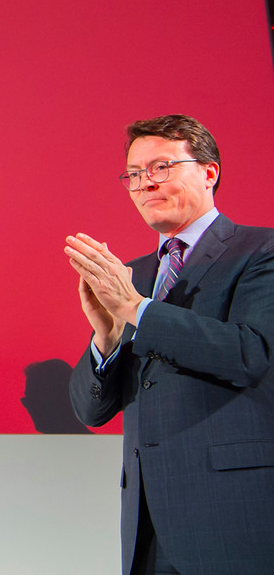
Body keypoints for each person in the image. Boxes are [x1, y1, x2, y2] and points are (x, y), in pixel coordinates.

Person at [66, 115, 274, 575]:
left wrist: (138, 310)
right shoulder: (135, 276)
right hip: (148, 522)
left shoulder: (260, 252)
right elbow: (91, 411)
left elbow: (251, 353)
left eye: (160, 167)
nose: (145, 184)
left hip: (233, 515)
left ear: (209, 172)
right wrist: (107, 333)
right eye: (134, 175)